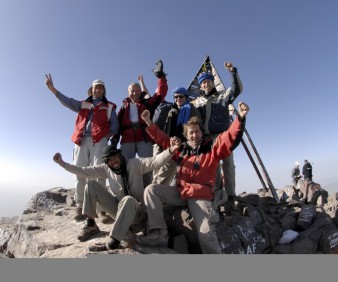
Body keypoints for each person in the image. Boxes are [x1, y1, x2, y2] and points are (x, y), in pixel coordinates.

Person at [136, 101, 249, 254]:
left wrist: (240, 119)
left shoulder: (211, 148)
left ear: (201, 133)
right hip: (181, 193)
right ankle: (158, 232)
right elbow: (162, 139)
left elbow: (228, 137)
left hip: (200, 196)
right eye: (191, 132)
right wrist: (149, 122)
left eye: (197, 131)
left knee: (206, 234)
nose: (194, 135)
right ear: (186, 135)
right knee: (151, 190)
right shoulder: (181, 150)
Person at [52, 139, 180, 249]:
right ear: (106, 163)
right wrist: (62, 163)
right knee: (91, 185)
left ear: (119, 155)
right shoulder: (106, 169)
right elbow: (82, 171)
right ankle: (91, 225)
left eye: (114, 157)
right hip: (119, 212)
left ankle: (114, 241)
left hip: (138, 215)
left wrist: (170, 150)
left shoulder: (134, 164)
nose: (113, 162)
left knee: (128, 199)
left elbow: (155, 161)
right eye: (109, 160)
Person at [45, 74, 119, 222]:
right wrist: (52, 89)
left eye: (100, 88)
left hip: (100, 142)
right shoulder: (83, 104)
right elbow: (67, 101)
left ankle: (102, 210)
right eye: (94, 88)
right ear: (91, 90)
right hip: (81, 141)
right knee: (79, 172)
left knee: (99, 173)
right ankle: (80, 207)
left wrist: (106, 137)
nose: (97, 90)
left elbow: (115, 126)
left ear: (103, 91)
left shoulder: (110, 106)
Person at [192, 62, 243, 209]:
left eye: (208, 81)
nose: (206, 84)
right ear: (201, 86)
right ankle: (218, 197)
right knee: (213, 168)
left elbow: (236, 90)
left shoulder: (223, 95)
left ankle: (231, 197)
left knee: (228, 166)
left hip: (223, 137)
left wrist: (233, 72)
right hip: (207, 139)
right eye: (203, 82)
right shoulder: (196, 102)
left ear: (212, 82)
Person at [110, 60, 168, 186]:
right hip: (127, 140)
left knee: (147, 167)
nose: (135, 93)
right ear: (128, 92)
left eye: (137, 90)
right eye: (132, 91)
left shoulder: (147, 103)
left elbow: (160, 94)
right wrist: (114, 140)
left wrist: (161, 76)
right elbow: (118, 126)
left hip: (144, 139)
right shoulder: (123, 108)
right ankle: (130, 192)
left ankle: (147, 193)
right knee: (126, 167)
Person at [152, 87, 201, 186]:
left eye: (180, 96)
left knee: (175, 175)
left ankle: (160, 194)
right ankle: (155, 194)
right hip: (167, 145)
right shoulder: (171, 109)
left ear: (186, 97)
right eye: (175, 97)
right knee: (160, 173)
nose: (178, 99)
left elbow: (196, 128)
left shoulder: (192, 110)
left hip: (183, 148)